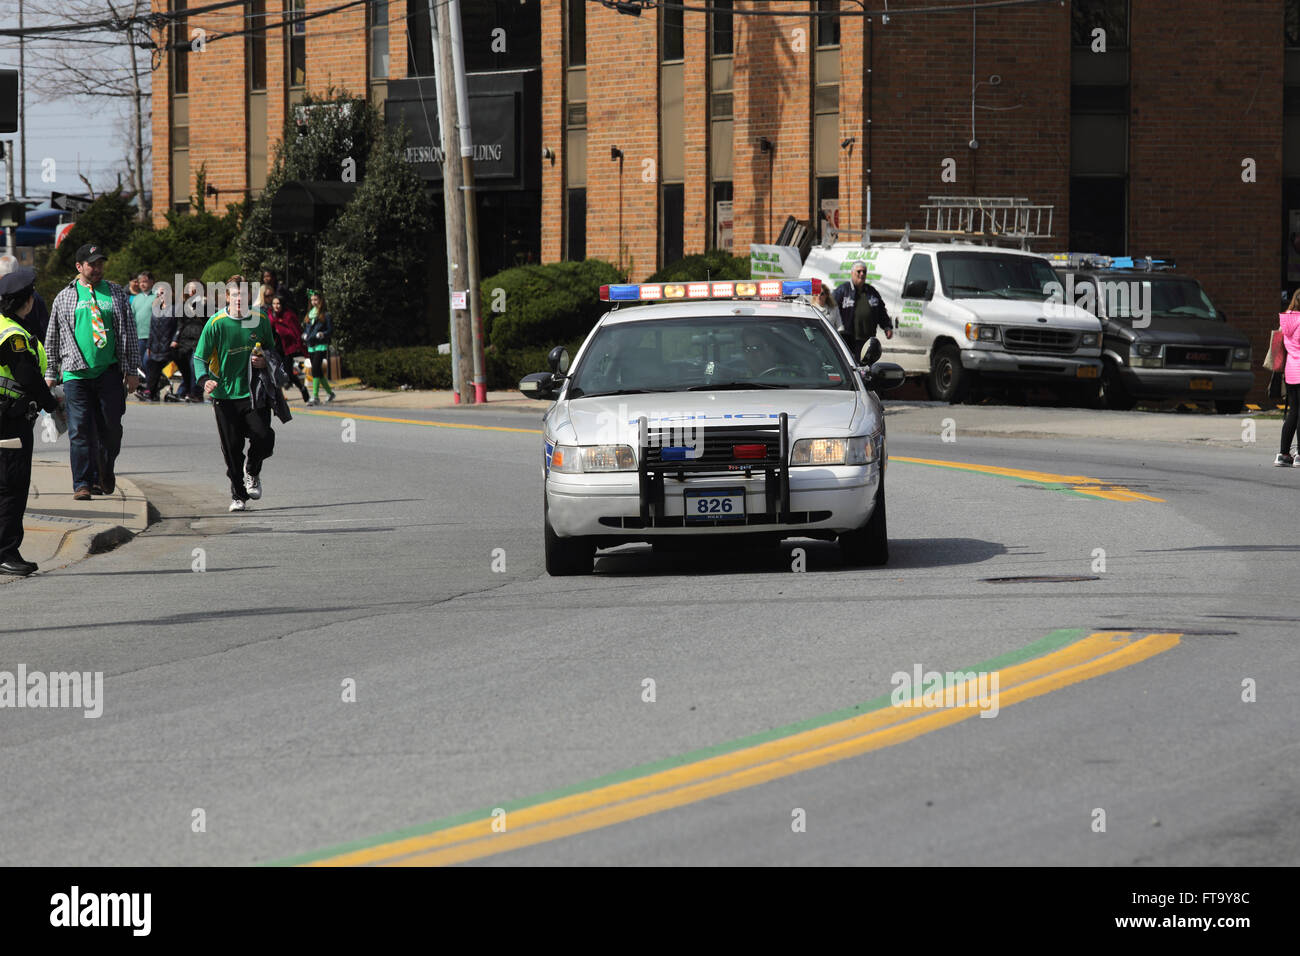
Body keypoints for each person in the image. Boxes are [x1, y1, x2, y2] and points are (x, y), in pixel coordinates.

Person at [43, 243, 139, 500]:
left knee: (111, 429)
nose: (97, 269)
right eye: (91, 264)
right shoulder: (65, 297)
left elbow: (129, 333)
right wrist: (51, 371)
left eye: (100, 264)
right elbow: (52, 338)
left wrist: (131, 370)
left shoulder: (115, 293)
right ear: (79, 267)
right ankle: (83, 483)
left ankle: (104, 470)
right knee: (79, 431)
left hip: (108, 372)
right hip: (76, 374)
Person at [193, 276, 279, 511]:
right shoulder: (216, 323)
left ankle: (252, 469)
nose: (240, 299)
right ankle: (238, 495)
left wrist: (264, 361)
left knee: (263, 436)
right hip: (224, 395)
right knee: (232, 448)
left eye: (244, 295)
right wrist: (204, 380)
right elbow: (199, 357)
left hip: (253, 392)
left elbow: (272, 350)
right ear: (228, 297)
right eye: (236, 295)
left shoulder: (260, 319)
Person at [0, 267, 63, 575]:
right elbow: (28, 377)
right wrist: (52, 405)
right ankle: (5, 552)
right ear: (24, 302)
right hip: (9, 421)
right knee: (11, 486)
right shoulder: (13, 335)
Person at [832, 262, 894, 363]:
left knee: (865, 366)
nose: (862, 274)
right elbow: (831, 309)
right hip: (848, 339)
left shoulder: (872, 292)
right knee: (850, 364)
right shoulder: (843, 290)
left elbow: (881, 311)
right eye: (859, 271)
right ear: (852, 273)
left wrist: (887, 326)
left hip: (867, 340)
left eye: (864, 272)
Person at [269, 294, 311, 403]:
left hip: (288, 348)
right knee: (275, 371)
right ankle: (279, 396)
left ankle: (303, 389)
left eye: (278, 303)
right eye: (274, 303)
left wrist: (282, 330)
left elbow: (295, 332)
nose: (276, 306)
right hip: (275, 347)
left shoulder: (288, 315)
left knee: (289, 373)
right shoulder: (271, 315)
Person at [1276, 290, 1300, 466]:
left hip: (1290, 371)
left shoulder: (1286, 319)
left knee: (1293, 412)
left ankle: (1283, 454)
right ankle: (1299, 454)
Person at [302, 289, 336, 404]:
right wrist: (304, 334)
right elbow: (306, 328)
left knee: (315, 369)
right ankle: (330, 393)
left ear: (321, 300)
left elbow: (330, 330)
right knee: (318, 372)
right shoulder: (309, 315)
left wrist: (323, 334)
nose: (314, 302)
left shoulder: (326, 315)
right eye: (312, 300)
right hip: (311, 344)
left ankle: (315, 396)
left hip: (321, 345)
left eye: (316, 299)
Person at [130, 270, 155, 381]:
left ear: (152, 282)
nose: (142, 284)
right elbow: (131, 317)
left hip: (153, 337)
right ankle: (145, 385)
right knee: (139, 363)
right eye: (140, 282)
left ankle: (151, 384)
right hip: (138, 336)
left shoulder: (156, 297)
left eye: (145, 281)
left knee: (148, 361)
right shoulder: (136, 298)